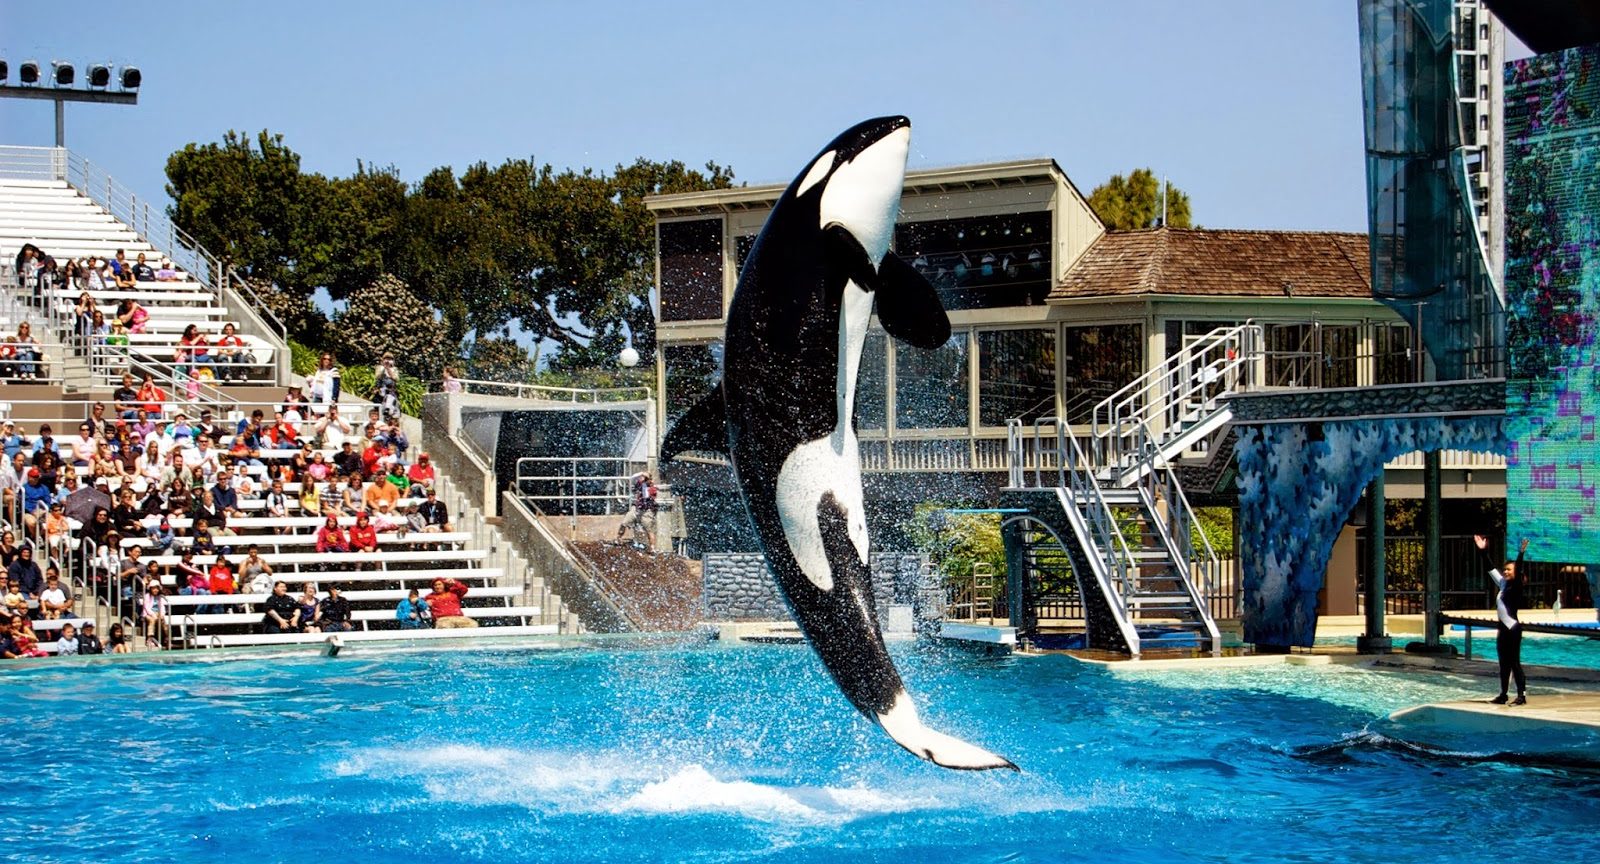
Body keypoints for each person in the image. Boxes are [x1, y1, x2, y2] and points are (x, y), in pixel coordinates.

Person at [1476, 534, 1531, 705]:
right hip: (1502, 630)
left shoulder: (1516, 587)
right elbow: (1490, 568)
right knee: (1503, 664)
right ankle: (1503, 694)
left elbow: (1520, 568)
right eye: (1505, 569)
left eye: (1509, 570)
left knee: (1514, 662)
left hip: (1513, 629)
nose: (1506, 572)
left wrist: (1520, 554)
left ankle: (1521, 695)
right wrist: (1483, 551)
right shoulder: (1503, 584)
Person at [615, 471, 659, 552]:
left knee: (649, 529)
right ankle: (618, 539)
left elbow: (646, 495)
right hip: (636, 508)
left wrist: (646, 481)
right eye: (643, 478)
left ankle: (652, 547)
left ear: (650, 480)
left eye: (645, 478)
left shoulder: (652, 488)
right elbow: (632, 478)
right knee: (625, 522)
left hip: (646, 511)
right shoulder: (640, 484)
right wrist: (641, 473)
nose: (643, 479)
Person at [142, 582, 171, 648]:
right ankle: (150, 639)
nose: (155, 590)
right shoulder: (147, 596)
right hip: (148, 614)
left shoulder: (160, 597)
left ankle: (167, 638)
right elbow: (146, 607)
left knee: (164, 622)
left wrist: (162, 614)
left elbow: (162, 606)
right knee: (152, 620)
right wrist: (153, 614)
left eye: (157, 588)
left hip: (158, 613)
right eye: (153, 588)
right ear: (150, 589)